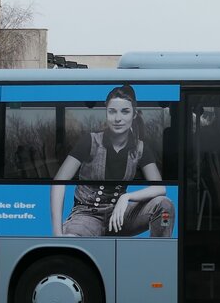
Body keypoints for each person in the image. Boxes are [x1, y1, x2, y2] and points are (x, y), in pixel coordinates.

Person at [50, 84, 174, 237]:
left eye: (125, 112)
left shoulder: (140, 148)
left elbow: (160, 188)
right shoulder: (90, 141)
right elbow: (58, 182)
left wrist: (126, 197)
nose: (118, 118)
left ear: (134, 114)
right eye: (112, 111)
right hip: (87, 215)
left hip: (119, 216)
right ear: (106, 113)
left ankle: (158, 256)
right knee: (71, 242)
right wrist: (57, 234)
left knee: (164, 205)